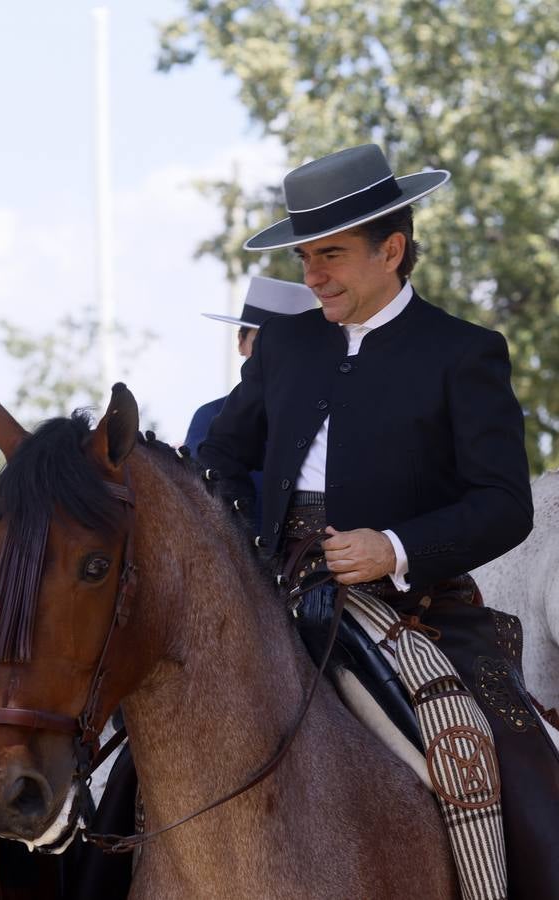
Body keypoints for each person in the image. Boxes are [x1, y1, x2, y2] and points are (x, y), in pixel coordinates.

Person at [199, 143, 558, 896]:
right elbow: (222, 455)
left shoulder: (465, 352)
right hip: (270, 590)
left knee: (492, 750)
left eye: (330, 255)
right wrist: (248, 543)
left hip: (412, 606)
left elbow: (505, 505)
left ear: (391, 250)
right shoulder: (285, 344)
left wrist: (393, 547)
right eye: (305, 258)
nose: (312, 276)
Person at [184, 276, 315, 533]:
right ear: (240, 342)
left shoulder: (325, 418)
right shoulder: (210, 417)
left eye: (292, 344)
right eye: (264, 340)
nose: (276, 353)